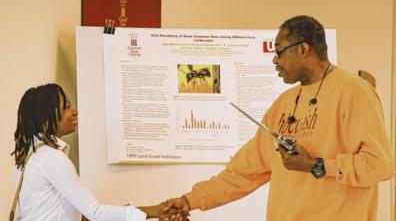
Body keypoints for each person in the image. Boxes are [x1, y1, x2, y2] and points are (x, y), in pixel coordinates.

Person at [162, 15, 394, 221]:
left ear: (303, 49)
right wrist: (190, 200)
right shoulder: (283, 103)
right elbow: (244, 172)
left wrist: (315, 166)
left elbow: (379, 166)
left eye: (279, 51)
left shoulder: (354, 90)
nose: (274, 60)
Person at [10, 83, 177, 221]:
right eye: (66, 107)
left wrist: (131, 211)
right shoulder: (51, 158)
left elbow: (78, 215)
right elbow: (96, 213)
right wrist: (156, 211)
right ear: (48, 116)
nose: (74, 111)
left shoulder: (29, 158)